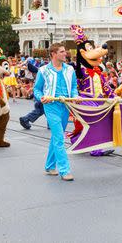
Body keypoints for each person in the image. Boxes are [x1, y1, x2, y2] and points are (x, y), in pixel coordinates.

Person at [34, 43, 78, 181]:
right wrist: (41, 98)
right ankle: (64, 170)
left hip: (65, 106)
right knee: (59, 137)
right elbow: (37, 89)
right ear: (53, 54)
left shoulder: (70, 69)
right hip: (51, 106)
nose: (66, 54)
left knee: (56, 137)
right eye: (62, 51)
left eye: (65, 52)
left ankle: (49, 165)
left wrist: (75, 96)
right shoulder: (43, 70)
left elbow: (74, 87)